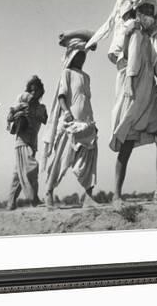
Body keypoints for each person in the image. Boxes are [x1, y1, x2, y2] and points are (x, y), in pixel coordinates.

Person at [109, 6, 157, 209]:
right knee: (126, 142)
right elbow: (127, 59)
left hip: (148, 91)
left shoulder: (150, 38)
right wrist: (130, 86)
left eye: (152, 10)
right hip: (133, 92)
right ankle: (116, 196)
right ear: (137, 12)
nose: (149, 15)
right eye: (145, 10)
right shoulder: (132, 32)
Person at [42, 38, 99, 209]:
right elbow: (61, 96)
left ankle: (88, 197)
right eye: (79, 54)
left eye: (84, 54)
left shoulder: (86, 77)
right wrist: (67, 113)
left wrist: (91, 122)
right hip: (70, 122)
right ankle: (48, 193)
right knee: (60, 159)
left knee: (89, 159)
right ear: (72, 55)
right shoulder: (66, 73)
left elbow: (85, 100)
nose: (82, 57)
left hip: (87, 122)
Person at [6, 75, 48, 210]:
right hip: (22, 140)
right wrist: (18, 113)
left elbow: (49, 121)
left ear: (41, 91)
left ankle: (10, 202)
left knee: (19, 174)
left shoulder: (42, 108)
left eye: (36, 90)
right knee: (31, 167)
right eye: (31, 90)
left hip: (32, 142)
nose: (34, 93)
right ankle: (34, 199)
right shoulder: (22, 102)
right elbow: (9, 116)